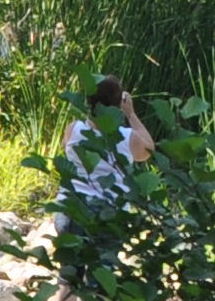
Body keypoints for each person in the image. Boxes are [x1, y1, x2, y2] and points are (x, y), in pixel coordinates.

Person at [61, 76, 157, 206]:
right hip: (110, 211)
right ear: (118, 104)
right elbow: (149, 149)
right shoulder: (127, 137)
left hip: (72, 207)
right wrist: (131, 114)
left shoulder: (72, 129)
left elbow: (65, 149)